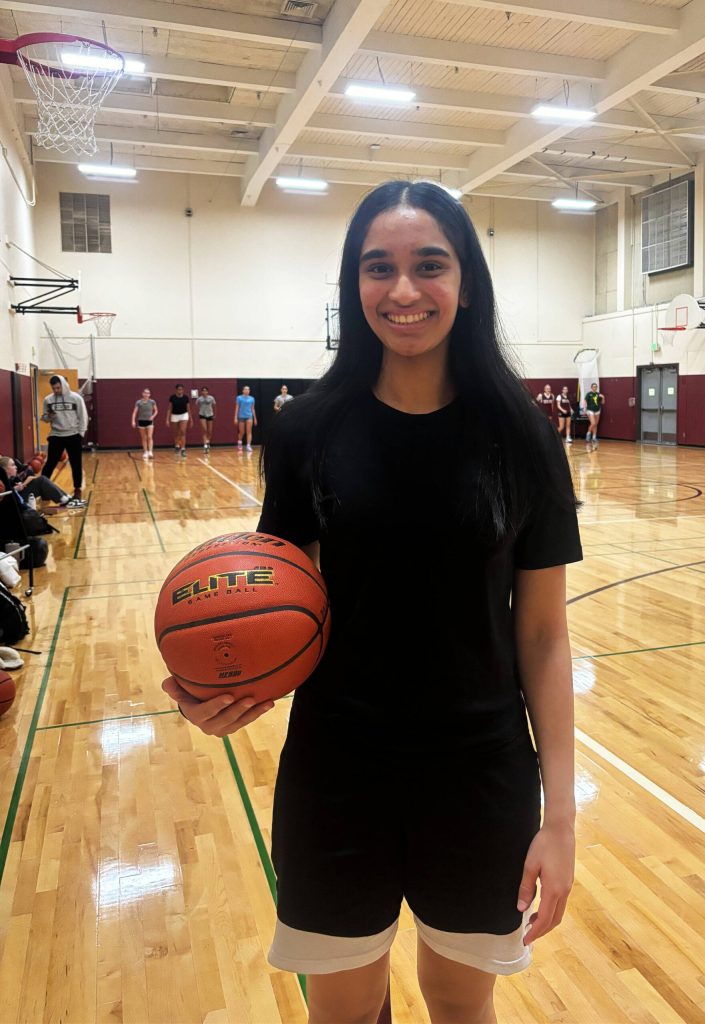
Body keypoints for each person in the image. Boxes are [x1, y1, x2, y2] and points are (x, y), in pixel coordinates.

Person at [163, 180, 582, 1024]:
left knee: (461, 1006)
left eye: (429, 265)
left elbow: (541, 635)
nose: (402, 290)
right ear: (354, 287)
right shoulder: (308, 429)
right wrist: (233, 690)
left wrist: (561, 817)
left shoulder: (521, 436)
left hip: (480, 772)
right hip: (337, 768)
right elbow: (276, 595)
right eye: (377, 268)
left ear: (465, 283)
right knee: (344, 1013)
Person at [40, 375, 89, 502]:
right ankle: (43, 488)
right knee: (50, 462)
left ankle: (77, 489)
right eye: (54, 388)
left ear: (63, 385)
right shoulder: (48, 400)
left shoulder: (76, 398)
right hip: (56, 434)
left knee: (75, 463)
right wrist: (49, 416)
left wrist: (80, 434)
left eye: (58, 387)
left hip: (73, 434)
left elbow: (83, 416)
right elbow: (44, 418)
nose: (56, 390)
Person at [0, 456, 81, 508]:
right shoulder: (2, 481)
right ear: (5, 469)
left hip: (18, 496)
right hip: (14, 503)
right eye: (12, 465)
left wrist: (21, 484)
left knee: (41, 479)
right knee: (42, 481)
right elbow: (4, 496)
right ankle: (65, 500)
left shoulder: (12, 478)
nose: (16, 467)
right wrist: (16, 489)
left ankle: (66, 497)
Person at [131, 387, 158, 459]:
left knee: (149, 437)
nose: (146, 394)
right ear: (142, 394)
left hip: (149, 421)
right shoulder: (138, 402)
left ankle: (150, 451)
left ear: (150, 394)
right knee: (143, 437)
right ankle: (145, 452)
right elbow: (134, 412)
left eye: (148, 393)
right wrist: (133, 421)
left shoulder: (152, 402)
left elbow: (156, 411)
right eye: (145, 393)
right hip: (141, 421)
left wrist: (153, 416)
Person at [167, 384, 192, 457]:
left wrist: (191, 419)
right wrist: (167, 419)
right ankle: (177, 445)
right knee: (176, 433)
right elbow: (169, 409)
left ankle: (183, 449)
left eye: (181, 389)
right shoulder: (172, 397)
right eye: (179, 389)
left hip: (184, 415)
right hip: (174, 415)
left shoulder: (186, 397)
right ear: (176, 390)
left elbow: (188, 409)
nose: (180, 391)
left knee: (182, 431)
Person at [235, 385, 257, 451]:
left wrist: (255, 418)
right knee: (242, 432)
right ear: (243, 390)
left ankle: (248, 445)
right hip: (241, 416)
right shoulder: (239, 398)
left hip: (249, 416)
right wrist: (235, 417)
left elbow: (253, 409)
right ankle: (239, 443)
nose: (247, 390)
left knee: (249, 431)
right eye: (246, 389)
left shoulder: (252, 398)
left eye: (248, 389)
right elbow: (237, 408)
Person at [197, 386, 216, 451]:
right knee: (204, 429)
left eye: (205, 390)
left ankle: (208, 441)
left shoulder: (211, 398)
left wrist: (214, 414)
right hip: (202, 415)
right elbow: (196, 405)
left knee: (210, 431)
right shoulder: (199, 399)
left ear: (207, 392)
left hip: (210, 415)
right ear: (201, 392)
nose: (204, 392)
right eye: (203, 390)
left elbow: (214, 406)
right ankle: (205, 444)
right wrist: (199, 411)